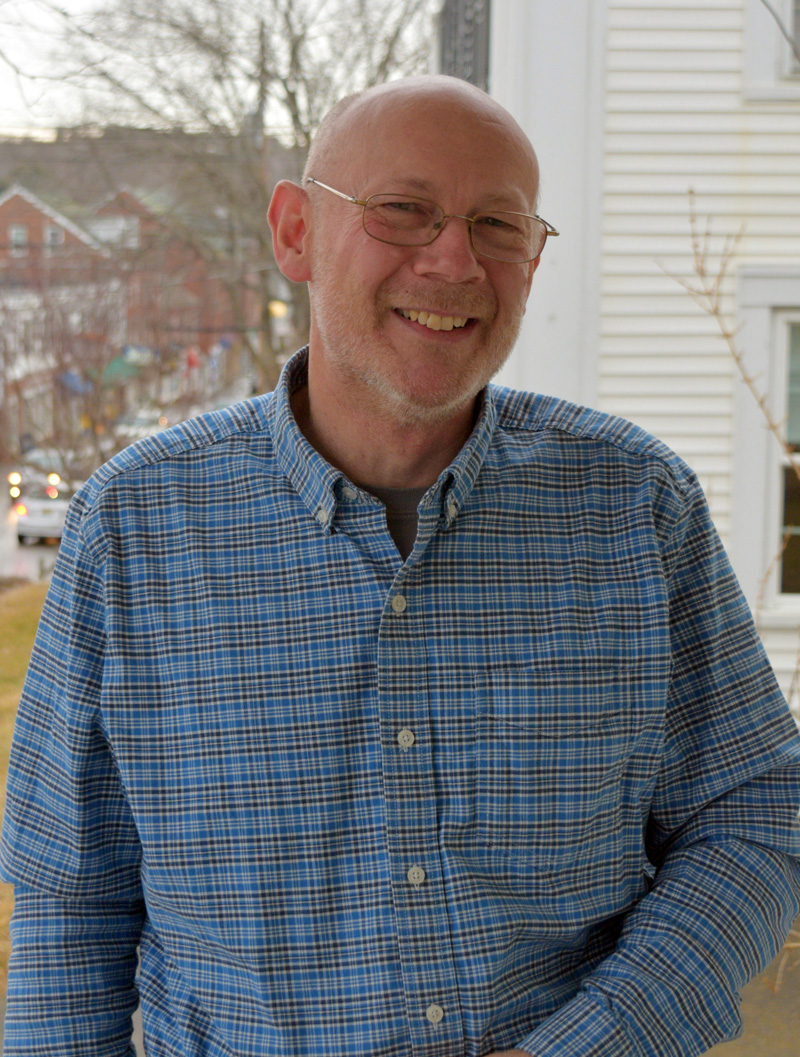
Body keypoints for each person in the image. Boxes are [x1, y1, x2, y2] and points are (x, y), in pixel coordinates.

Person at [2, 74, 799, 1057]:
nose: (454, 259)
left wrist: (601, 1039)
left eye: (497, 225)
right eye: (403, 212)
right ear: (294, 232)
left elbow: (755, 813)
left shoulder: (634, 506)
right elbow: (67, 907)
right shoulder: (133, 526)